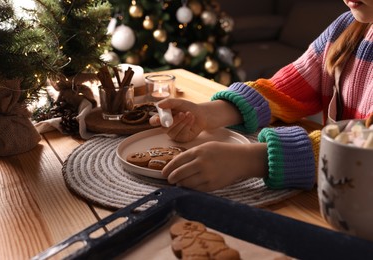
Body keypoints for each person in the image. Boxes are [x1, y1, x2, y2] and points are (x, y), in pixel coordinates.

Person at [149, 0, 373, 192]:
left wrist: (249, 160)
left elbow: (367, 144)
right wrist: (208, 114)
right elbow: (285, 90)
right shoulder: (346, 27)